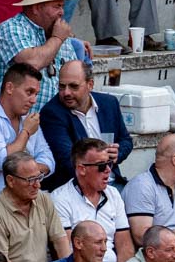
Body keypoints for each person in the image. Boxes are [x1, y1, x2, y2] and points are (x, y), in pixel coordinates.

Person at [0, 0, 77, 112]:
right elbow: (32, 64)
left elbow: (74, 77)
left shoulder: (60, 34)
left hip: (53, 121)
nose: (62, 12)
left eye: (62, 6)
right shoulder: (11, 28)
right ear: (37, 8)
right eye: (57, 6)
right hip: (9, 122)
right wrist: (57, 39)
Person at [0, 62, 53, 204]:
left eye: (36, 94)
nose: (34, 100)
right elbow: (1, 161)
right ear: (10, 88)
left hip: (23, 197)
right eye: (29, 92)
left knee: (51, 205)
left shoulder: (27, 119)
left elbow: (49, 161)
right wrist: (26, 132)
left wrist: (26, 172)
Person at [0, 151, 69, 262]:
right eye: (30, 180)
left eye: (39, 177)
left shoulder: (43, 199)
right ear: (10, 180)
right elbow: (1, 261)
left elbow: (60, 239)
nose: (37, 185)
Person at [40, 60, 131, 190]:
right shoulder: (52, 113)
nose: (66, 92)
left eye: (74, 86)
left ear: (90, 84)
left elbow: (126, 140)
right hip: (77, 187)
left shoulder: (109, 103)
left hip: (112, 182)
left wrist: (117, 153)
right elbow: (68, 160)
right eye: (61, 86)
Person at [50, 140, 129, 262]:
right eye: (101, 166)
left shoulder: (113, 193)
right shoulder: (60, 199)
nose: (108, 170)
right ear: (82, 169)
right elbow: (68, 255)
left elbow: (124, 244)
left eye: (109, 163)